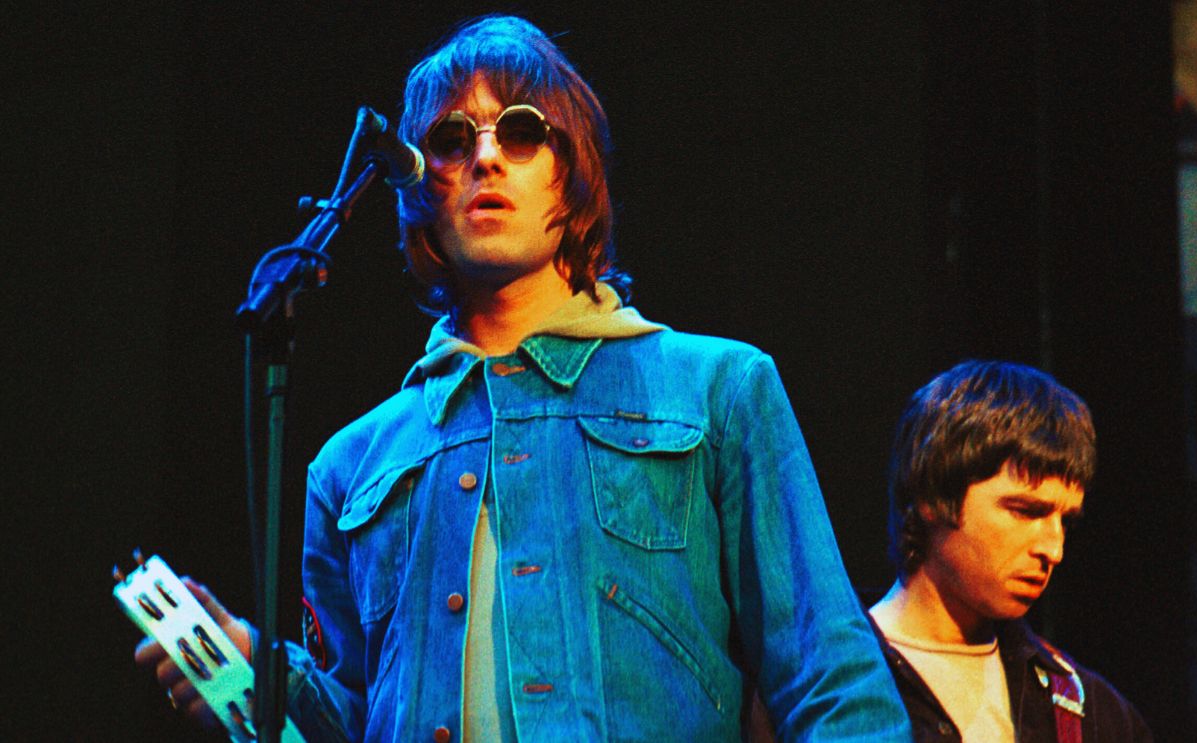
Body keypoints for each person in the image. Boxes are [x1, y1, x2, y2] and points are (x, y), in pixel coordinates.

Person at [138, 15, 910, 742]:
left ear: (571, 171)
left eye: (519, 131)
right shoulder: (350, 465)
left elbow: (830, 677)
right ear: (418, 186)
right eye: (450, 139)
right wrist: (254, 673)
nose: (485, 157)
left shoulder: (717, 390)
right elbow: (354, 714)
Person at [868, 360, 1153, 742]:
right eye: (1025, 511)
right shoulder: (826, 684)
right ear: (931, 497)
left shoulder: (1095, 714)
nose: (1054, 550)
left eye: (1065, 521)